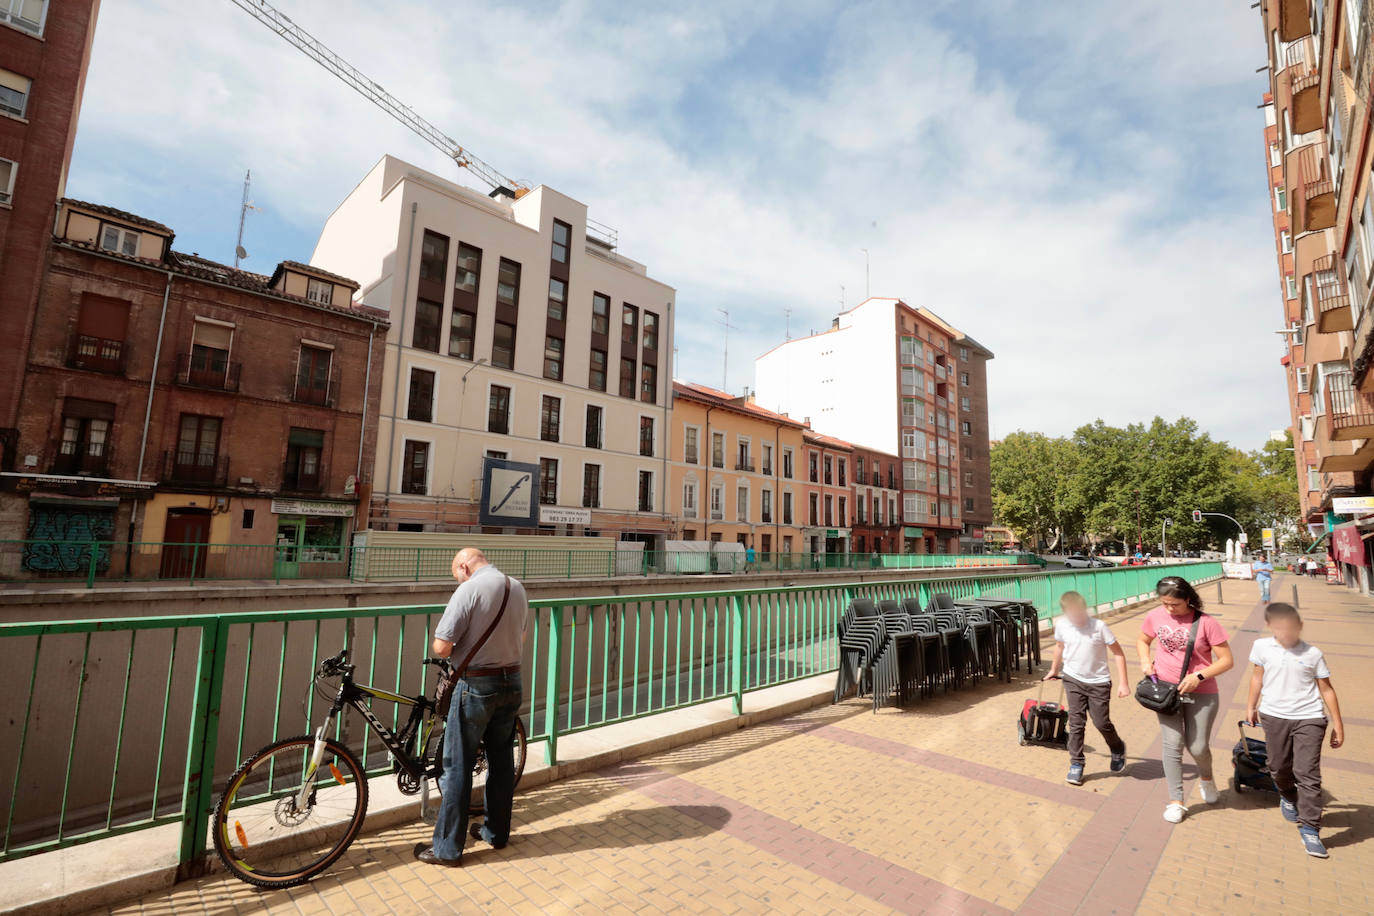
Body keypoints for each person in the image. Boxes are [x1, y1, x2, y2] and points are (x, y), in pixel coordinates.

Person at [414, 548, 529, 867]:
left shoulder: (468, 589)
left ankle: (447, 849)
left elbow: (442, 644)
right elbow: (521, 635)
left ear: (464, 567)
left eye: (457, 574)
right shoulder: (515, 586)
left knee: (457, 765)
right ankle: (496, 833)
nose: (458, 579)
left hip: (476, 685)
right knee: (501, 761)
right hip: (512, 681)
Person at [1245, 603, 1346, 858]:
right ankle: (1289, 796)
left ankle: (1311, 828)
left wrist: (1338, 724)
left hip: (1309, 717)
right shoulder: (1261, 647)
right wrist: (1251, 706)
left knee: (1308, 773)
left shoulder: (1313, 653)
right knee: (1278, 766)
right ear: (1271, 627)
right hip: (1273, 715)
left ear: (1299, 626)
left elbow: (1326, 689)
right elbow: (1257, 676)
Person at [1136, 576, 1234, 824]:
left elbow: (1226, 660)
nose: (1169, 609)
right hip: (1166, 691)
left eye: (1174, 604)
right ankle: (1176, 801)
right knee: (1173, 743)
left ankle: (1207, 778)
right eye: (1164, 603)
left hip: (1202, 692)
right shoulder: (1155, 616)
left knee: (1198, 746)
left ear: (1188, 599)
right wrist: (1146, 661)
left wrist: (1199, 676)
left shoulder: (1207, 623)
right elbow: (1143, 640)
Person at [1044, 591, 1129, 785]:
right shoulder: (1063, 625)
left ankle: (1117, 747)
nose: (1078, 617)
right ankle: (1077, 763)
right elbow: (1059, 646)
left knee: (1101, 722)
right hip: (1073, 679)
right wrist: (1053, 669)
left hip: (1099, 682)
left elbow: (1118, 653)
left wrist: (1123, 683)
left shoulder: (1099, 627)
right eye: (1073, 614)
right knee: (1076, 723)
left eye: (1080, 612)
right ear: (1066, 613)